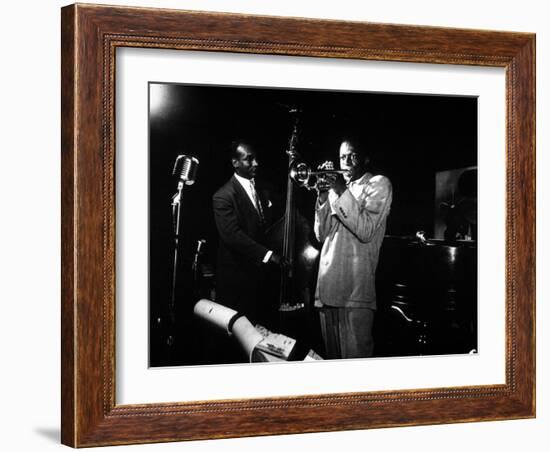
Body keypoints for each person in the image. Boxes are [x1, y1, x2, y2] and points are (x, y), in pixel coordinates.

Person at [314, 137, 392, 359]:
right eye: (341, 157)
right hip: (326, 289)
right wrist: (322, 196)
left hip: (354, 292)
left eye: (352, 155)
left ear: (365, 158)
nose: (346, 161)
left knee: (356, 367)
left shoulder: (378, 184)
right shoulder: (338, 189)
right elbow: (321, 235)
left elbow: (366, 230)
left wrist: (339, 190)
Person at [212, 140, 284, 330]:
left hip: (260, 282)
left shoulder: (264, 189)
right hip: (237, 284)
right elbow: (233, 236)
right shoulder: (223, 196)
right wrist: (268, 255)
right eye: (249, 160)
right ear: (235, 162)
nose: (256, 164)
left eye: (256, 159)